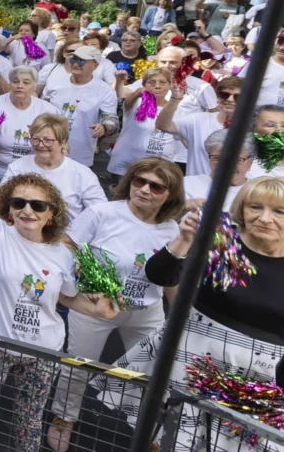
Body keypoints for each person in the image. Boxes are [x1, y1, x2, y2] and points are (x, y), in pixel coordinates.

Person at [101, 177, 284, 451]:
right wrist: (183, 240)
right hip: (191, 361)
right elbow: (159, 275)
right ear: (242, 208)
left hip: (259, 381)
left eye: (279, 211)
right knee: (170, 440)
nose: (264, 218)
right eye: (255, 207)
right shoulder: (222, 235)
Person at [0, 175, 119, 452]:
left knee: (29, 420)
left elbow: (66, 298)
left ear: (51, 214)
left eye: (37, 205)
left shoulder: (63, 254)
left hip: (42, 352)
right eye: (19, 202)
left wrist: (97, 309)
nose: (28, 210)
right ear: (9, 209)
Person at [45, 158, 183, 450]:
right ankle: (64, 417)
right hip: (93, 309)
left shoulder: (173, 230)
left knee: (156, 374)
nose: (144, 190)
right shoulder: (102, 213)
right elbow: (66, 246)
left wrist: (185, 316)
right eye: (138, 181)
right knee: (79, 365)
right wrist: (83, 277)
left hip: (146, 312)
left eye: (155, 186)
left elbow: (172, 278)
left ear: (169, 194)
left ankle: (151, 433)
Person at [1, 114, 105, 223]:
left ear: (63, 142)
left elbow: (100, 213)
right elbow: (2, 203)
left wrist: (71, 237)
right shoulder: (17, 167)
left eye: (48, 140)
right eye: (35, 139)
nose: (40, 145)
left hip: (66, 236)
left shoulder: (82, 174)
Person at [40, 46, 117, 170]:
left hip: (80, 155)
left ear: (95, 66)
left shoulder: (104, 90)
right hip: (47, 150)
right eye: (73, 59)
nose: (75, 64)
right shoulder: (55, 83)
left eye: (81, 61)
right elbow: (41, 111)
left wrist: (104, 127)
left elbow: (111, 119)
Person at [0, 66, 59, 181]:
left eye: (26, 82)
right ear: (10, 84)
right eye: (15, 82)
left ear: (34, 86)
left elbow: (61, 143)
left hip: (34, 174)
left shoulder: (47, 110)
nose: (20, 86)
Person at [155, 76, 240, 175]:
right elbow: (163, 125)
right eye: (224, 95)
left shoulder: (255, 126)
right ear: (217, 98)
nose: (230, 99)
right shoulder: (198, 120)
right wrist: (174, 100)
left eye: (238, 96)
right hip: (195, 188)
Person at [109, 66, 180, 176]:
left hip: (158, 167)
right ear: (144, 85)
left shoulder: (176, 108)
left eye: (162, 82)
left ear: (170, 85)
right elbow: (120, 97)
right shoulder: (136, 103)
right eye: (151, 82)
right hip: (126, 164)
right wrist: (123, 83)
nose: (157, 86)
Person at [182, 129, 254, 211]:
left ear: (250, 163)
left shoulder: (258, 191)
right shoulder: (186, 185)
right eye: (217, 158)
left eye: (237, 159)